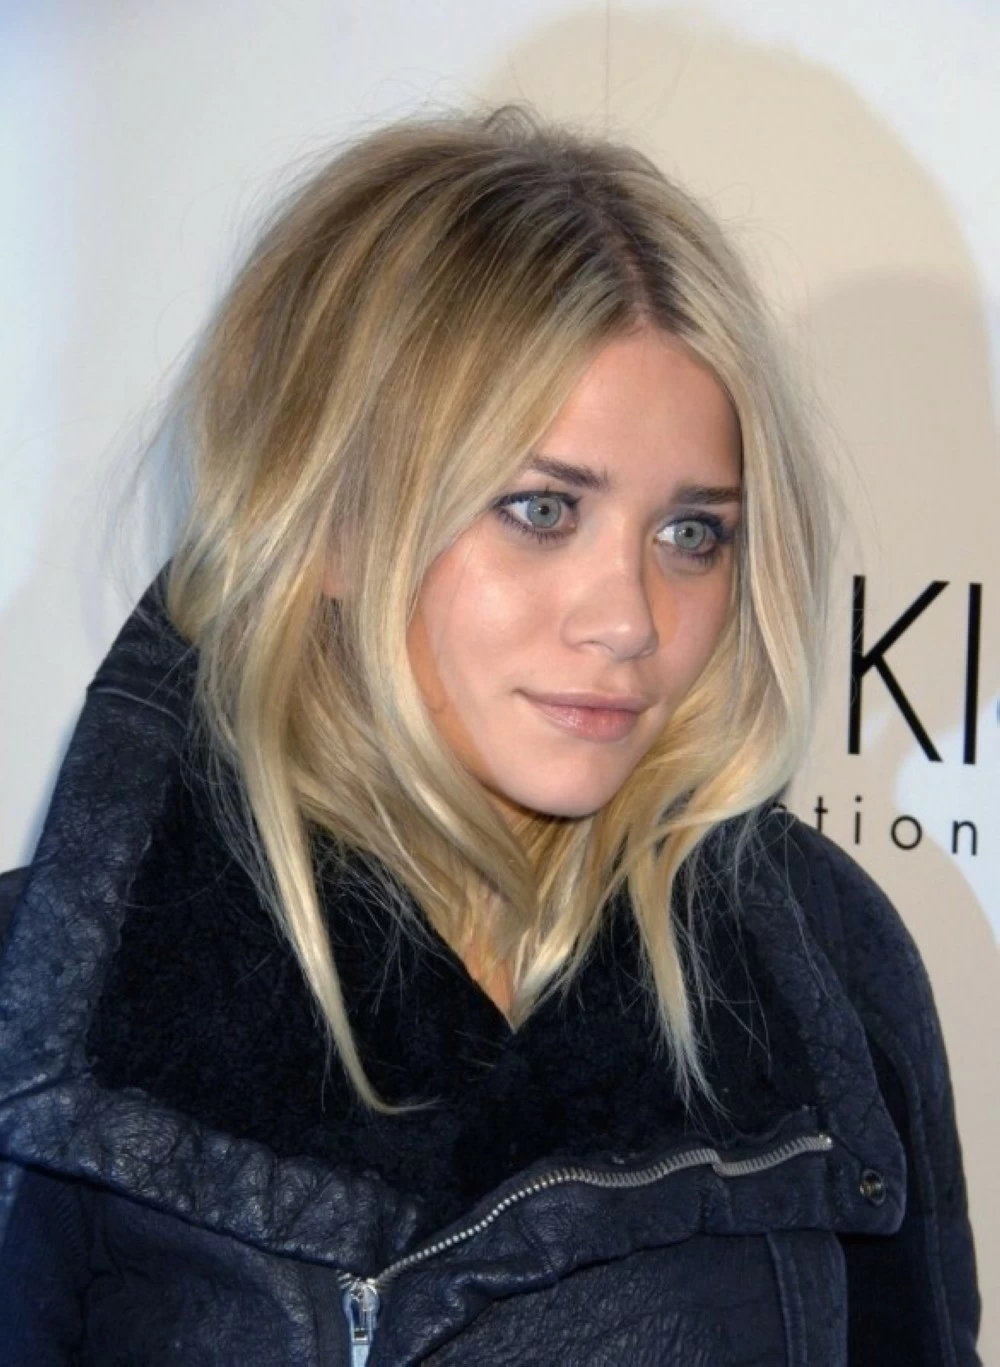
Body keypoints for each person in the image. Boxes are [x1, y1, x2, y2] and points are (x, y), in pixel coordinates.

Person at [0, 104, 981, 1365]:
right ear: (333, 521)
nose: (628, 617)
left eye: (691, 532)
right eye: (540, 509)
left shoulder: (821, 958)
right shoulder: (56, 996)